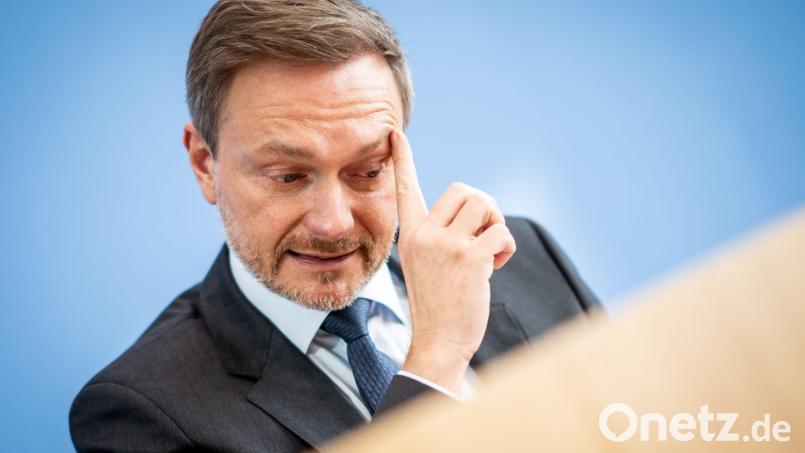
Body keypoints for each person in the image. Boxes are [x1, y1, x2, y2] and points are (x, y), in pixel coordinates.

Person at [69, 1, 601, 451]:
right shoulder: (137, 412)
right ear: (205, 164)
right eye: (288, 176)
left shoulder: (521, 257)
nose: (333, 222)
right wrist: (434, 362)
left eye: (368, 171)